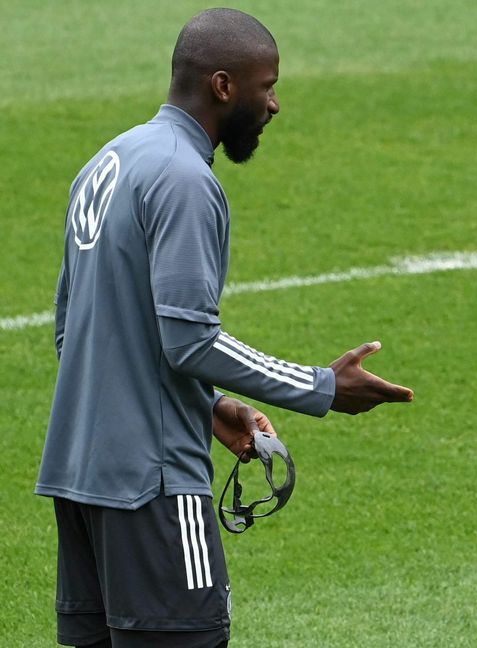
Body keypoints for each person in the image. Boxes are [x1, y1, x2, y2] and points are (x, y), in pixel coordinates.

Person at [35, 8, 413, 648]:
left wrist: (207, 407)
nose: (274, 105)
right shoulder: (184, 178)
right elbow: (191, 339)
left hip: (80, 480)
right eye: (268, 87)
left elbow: (73, 333)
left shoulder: (109, 161)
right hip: (153, 487)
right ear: (223, 86)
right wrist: (322, 387)